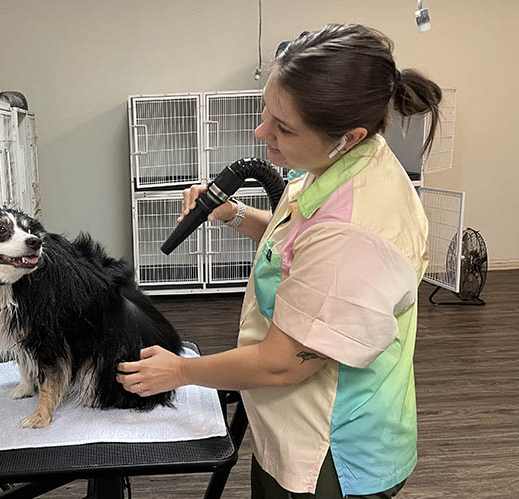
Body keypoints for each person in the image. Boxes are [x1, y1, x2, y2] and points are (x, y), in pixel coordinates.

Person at [117, 24, 441, 498]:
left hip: (331, 446)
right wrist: (233, 215)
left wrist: (181, 372)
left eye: (283, 127)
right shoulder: (344, 161)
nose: (260, 131)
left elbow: (282, 364)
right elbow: (297, 240)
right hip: (292, 420)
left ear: (346, 136)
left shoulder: (354, 234)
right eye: (266, 109)